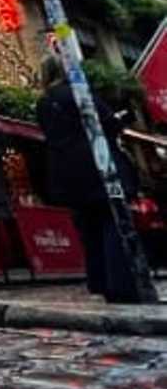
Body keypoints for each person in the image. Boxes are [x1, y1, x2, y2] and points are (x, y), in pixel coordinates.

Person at [36, 55, 140, 303]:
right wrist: (119, 119)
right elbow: (108, 123)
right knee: (112, 222)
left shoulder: (43, 102)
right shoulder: (79, 92)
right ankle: (120, 284)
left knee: (89, 227)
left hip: (67, 173)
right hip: (97, 164)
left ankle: (99, 282)